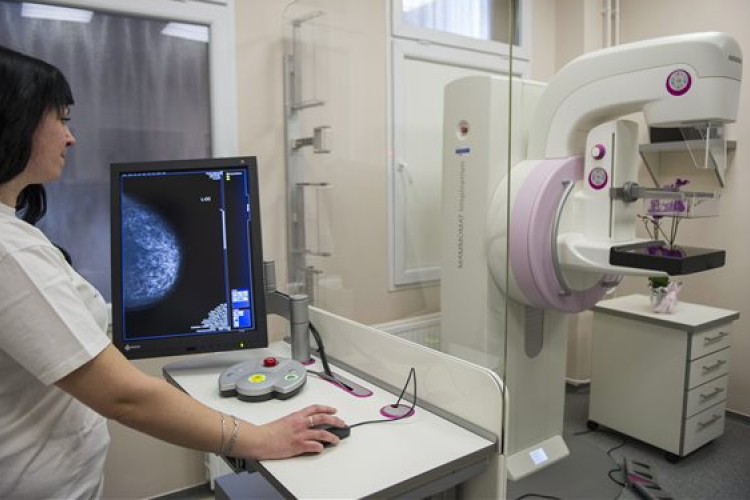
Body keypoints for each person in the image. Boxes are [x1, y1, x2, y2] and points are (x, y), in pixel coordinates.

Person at [0, 45, 345, 499]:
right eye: (61, 119)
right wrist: (261, 439)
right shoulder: (9, 251)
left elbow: (71, 332)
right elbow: (124, 396)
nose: (71, 137)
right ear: (16, 121)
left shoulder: (17, 236)